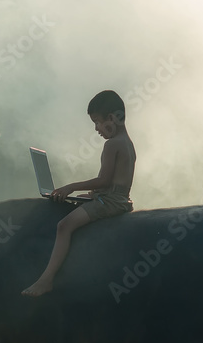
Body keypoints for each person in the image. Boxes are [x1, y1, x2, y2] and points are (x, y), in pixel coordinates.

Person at [22, 89, 136, 296]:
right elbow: (115, 184)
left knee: (64, 226)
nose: (96, 129)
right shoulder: (128, 144)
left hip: (111, 203)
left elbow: (104, 180)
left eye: (97, 122)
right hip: (118, 199)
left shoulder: (112, 145)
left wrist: (71, 187)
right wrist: (91, 195)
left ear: (111, 118)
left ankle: (46, 280)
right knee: (81, 201)